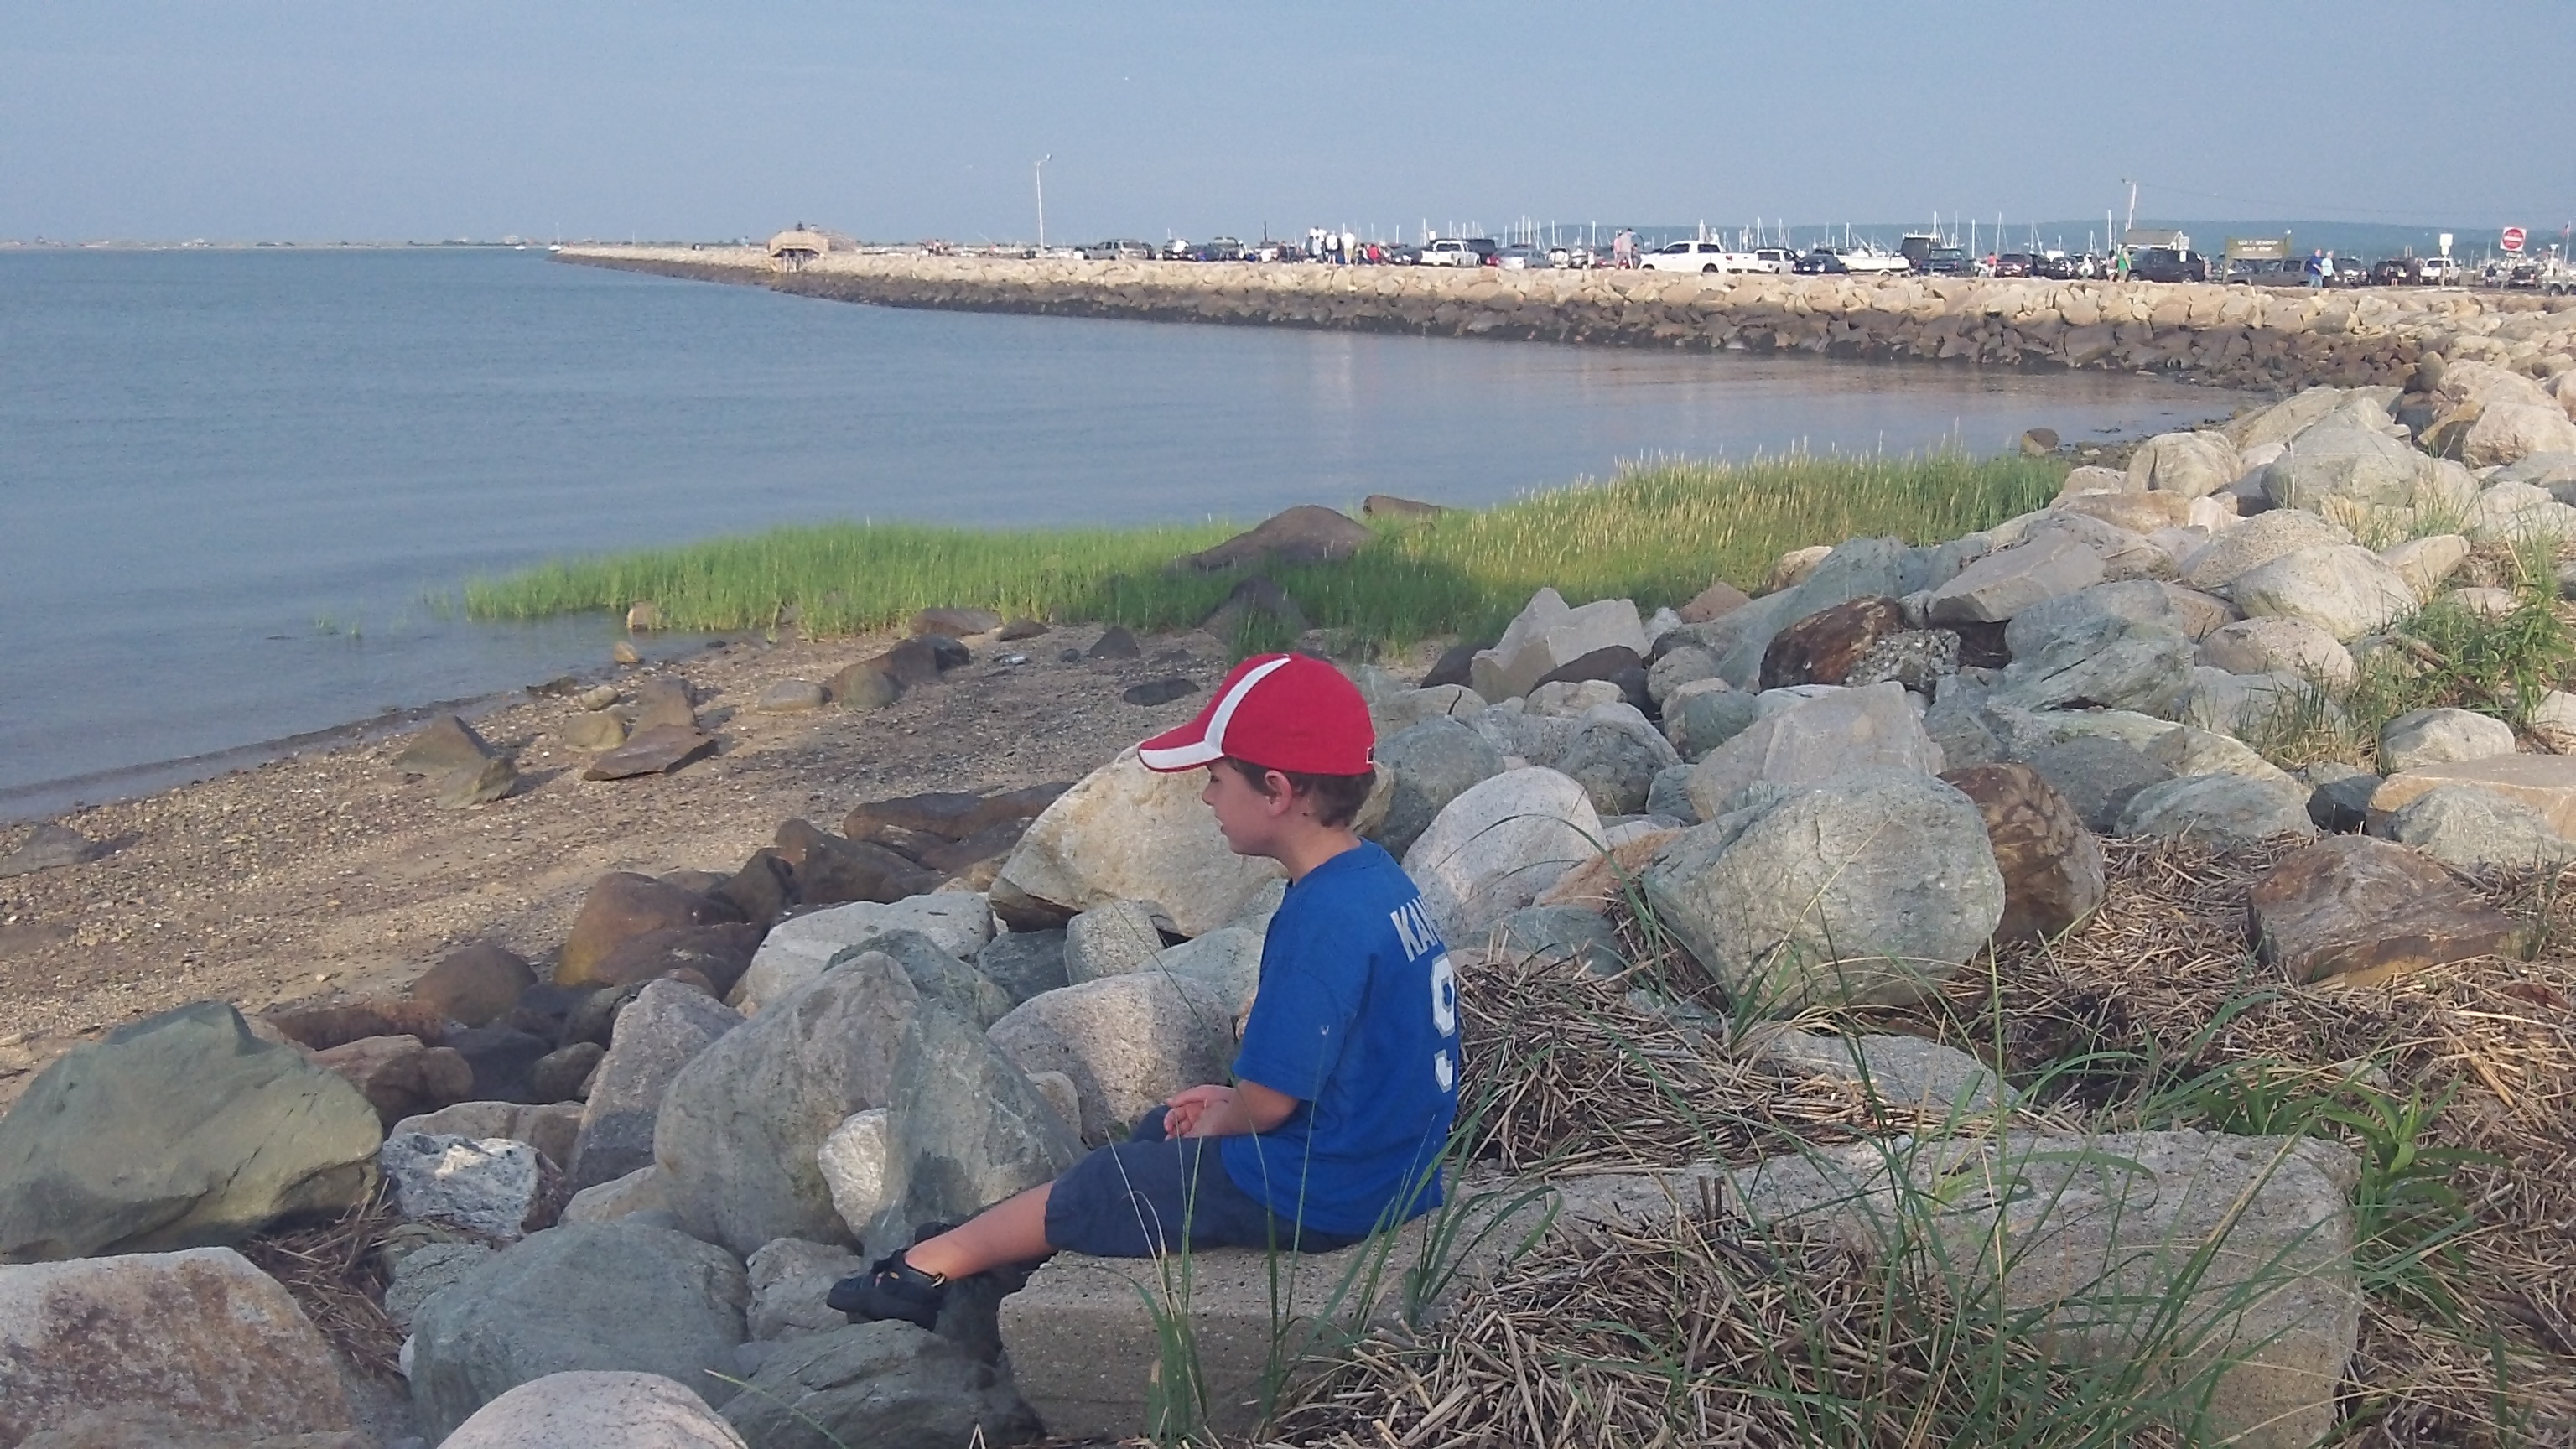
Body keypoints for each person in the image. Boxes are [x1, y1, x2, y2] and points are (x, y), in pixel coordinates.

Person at [829, 653, 1463, 1331]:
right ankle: (1018, 1243)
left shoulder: (1321, 920)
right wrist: (1226, 1103)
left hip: (1329, 1193)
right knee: (1165, 1126)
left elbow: (1270, 1103)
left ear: (1277, 792)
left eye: (1216, 779)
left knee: (1113, 1182)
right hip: (1394, 1168)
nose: (1208, 798)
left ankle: (923, 1268)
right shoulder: (1375, 879)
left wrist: (1231, 1115)